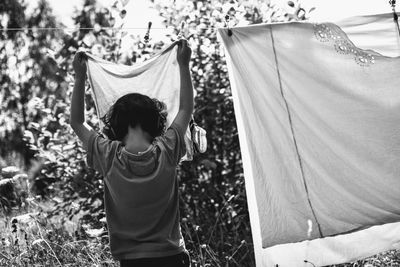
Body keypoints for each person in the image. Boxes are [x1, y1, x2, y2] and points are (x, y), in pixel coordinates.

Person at [69, 39, 193, 267]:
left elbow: (77, 122)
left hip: (132, 260)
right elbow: (186, 108)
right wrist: (184, 65)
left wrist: (79, 77)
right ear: (155, 123)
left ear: (115, 125)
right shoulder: (168, 148)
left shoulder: (108, 155)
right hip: (173, 255)